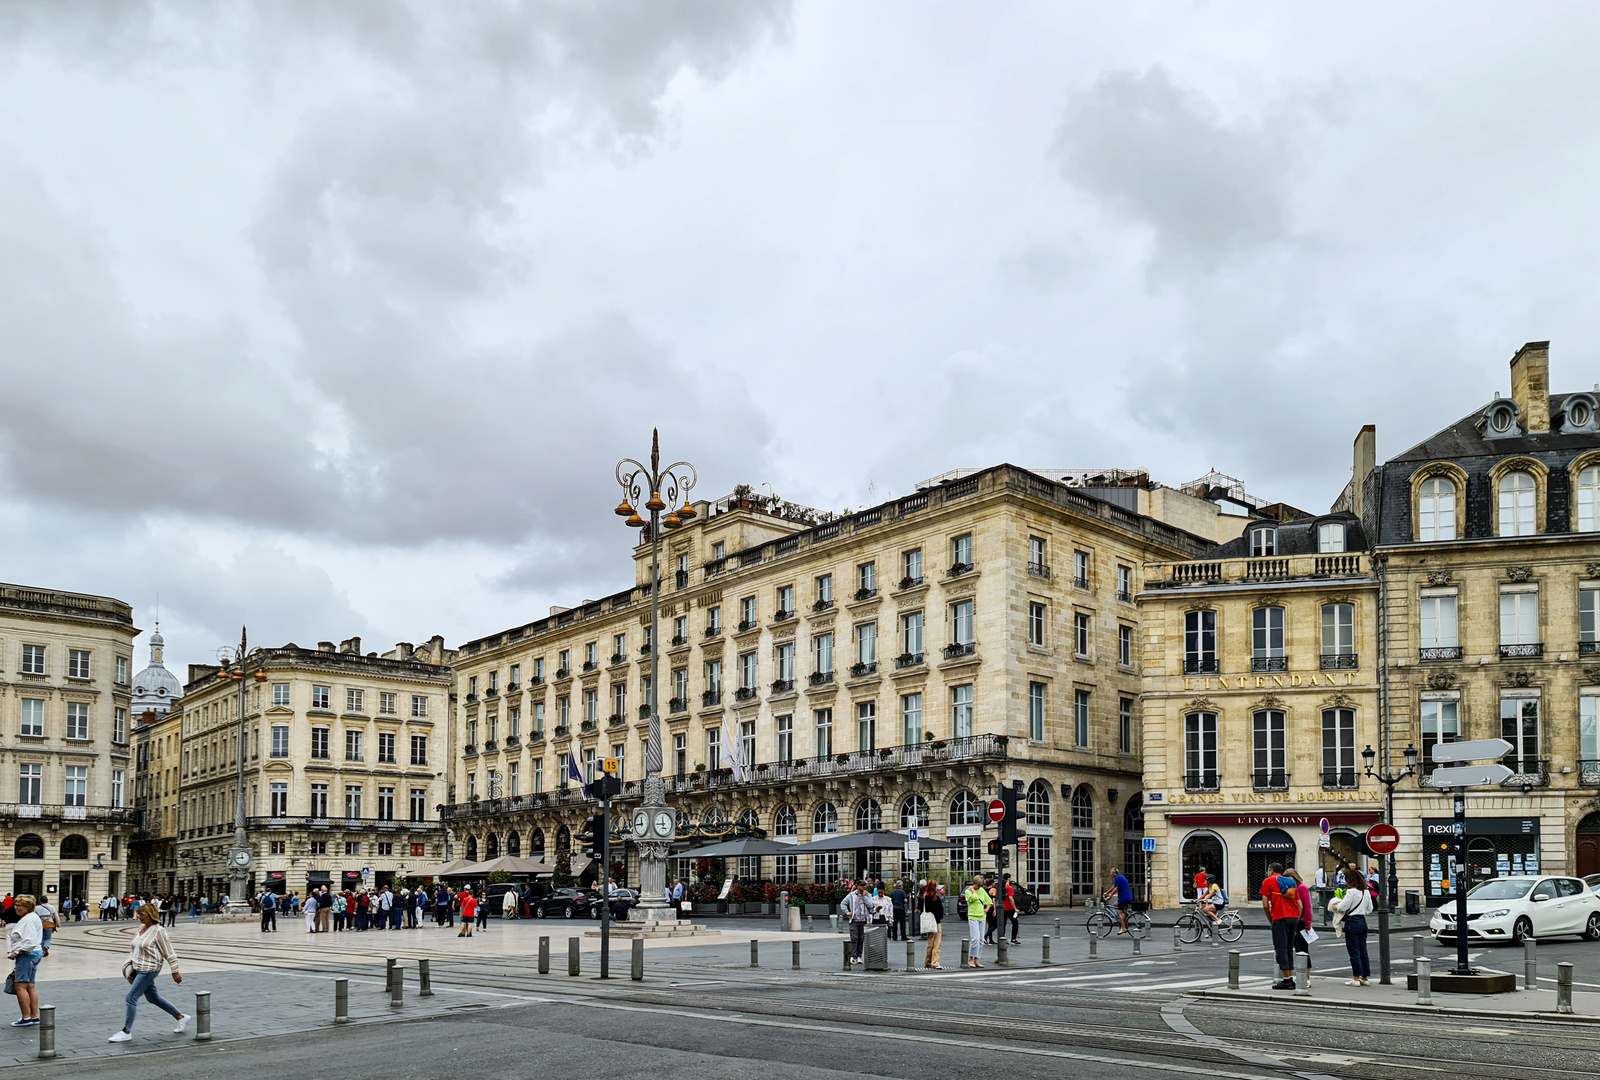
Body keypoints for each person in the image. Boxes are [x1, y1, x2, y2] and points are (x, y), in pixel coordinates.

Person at [109, 901, 186, 1043]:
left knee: (130, 998)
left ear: (151, 915)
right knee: (153, 998)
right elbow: (135, 949)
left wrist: (175, 971)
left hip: (149, 969)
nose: (139, 916)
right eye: (138, 914)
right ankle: (180, 1016)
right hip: (138, 969)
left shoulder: (159, 931)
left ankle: (126, 1032)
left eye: (142, 914)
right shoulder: (141, 929)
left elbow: (170, 953)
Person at [1259, 863, 1303, 990]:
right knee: (1289, 948)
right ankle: (1290, 978)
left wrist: (1271, 920)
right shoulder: (1291, 882)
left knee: (1280, 948)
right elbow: (1300, 905)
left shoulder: (1268, 881)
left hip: (1280, 917)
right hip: (1294, 917)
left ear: (1271, 871)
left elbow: (1265, 905)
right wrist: (1296, 918)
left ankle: (1286, 980)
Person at [6, 896, 42, 1027]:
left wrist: (17, 952)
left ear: (27, 907)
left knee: (20, 986)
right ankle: (34, 1016)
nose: (16, 908)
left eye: (19, 905)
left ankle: (26, 1017)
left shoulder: (28, 920)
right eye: (15, 905)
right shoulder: (33, 917)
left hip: (27, 955)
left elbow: (30, 941)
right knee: (30, 985)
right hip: (35, 954)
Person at [1334, 869, 1374, 986]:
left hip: (1352, 921)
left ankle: (1356, 978)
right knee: (1363, 950)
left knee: (1354, 951)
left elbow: (1343, 906)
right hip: (1362, 921)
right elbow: (1370, 909)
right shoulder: (1366, 892)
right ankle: (1364, 977)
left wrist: (1336, 905)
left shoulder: (1351, 892)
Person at [1286, 867, 1315, 980]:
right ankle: (1300, 975)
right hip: (1294, 921)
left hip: (1301, 922)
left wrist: (1308, 923)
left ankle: (1306, 977)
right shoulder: (1291, 888)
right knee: (1296, 948)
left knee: (1302, 950)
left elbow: (1307, 907)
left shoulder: (1302, 888)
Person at [962, 879, 991, 967]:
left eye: (981, 886)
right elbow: (972, 899)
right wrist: (973, 891)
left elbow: (988, 901)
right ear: (974, 883)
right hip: (973, 916)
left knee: (981, 940)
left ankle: (976, 959)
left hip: (982, 917)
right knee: (975, 939)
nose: (979, 887)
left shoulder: (982, 891)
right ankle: (971, 958)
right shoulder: (968, 892)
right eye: (978, 885)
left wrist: (987, 909)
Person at [839, 883, 870, 964]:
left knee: (861, 939)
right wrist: (847, 912)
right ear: (857, 886)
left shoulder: (867, 895)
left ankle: (859, 956)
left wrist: (865, 897)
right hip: (854, 920)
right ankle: (853, 956)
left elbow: (871, 905)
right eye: (861, 885)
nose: (863, 887)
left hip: (863, 920)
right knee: (854, 939)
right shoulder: (852, 895)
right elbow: (843, 903)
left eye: (864, 885)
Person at [920, 880, 944, 969]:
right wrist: (937, 911)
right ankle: (935, 962)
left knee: (930, 942)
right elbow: (940, 910)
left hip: (930, 922)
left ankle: (928, 962)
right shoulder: (936, 898)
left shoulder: (925, 898)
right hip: (936, 922)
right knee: (937, 943)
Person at [1102, 868, 1134, 934]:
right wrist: (1107, 892)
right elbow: (1114, 886)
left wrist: (1109, 896)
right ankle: (1124, 916)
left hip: (1124, 898)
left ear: (1114, 873)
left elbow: (1115, 889)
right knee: (1115, 905)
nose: (1110, 874)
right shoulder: (1120, 877)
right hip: (1125, 897)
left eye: (1111, 872)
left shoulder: (1117, 878)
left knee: (1119, 912)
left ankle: (1124, 928)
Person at [1002, 874, 1019, 944]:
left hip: (1002, 908)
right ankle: (1013, 938)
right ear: (1008, 878)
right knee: (1015, 923)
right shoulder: (1009, 888)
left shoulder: (1002, 887)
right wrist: (1015, 908)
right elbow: (1010, 898)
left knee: (1003, 924)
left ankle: (1002, 938)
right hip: (1009, 908)